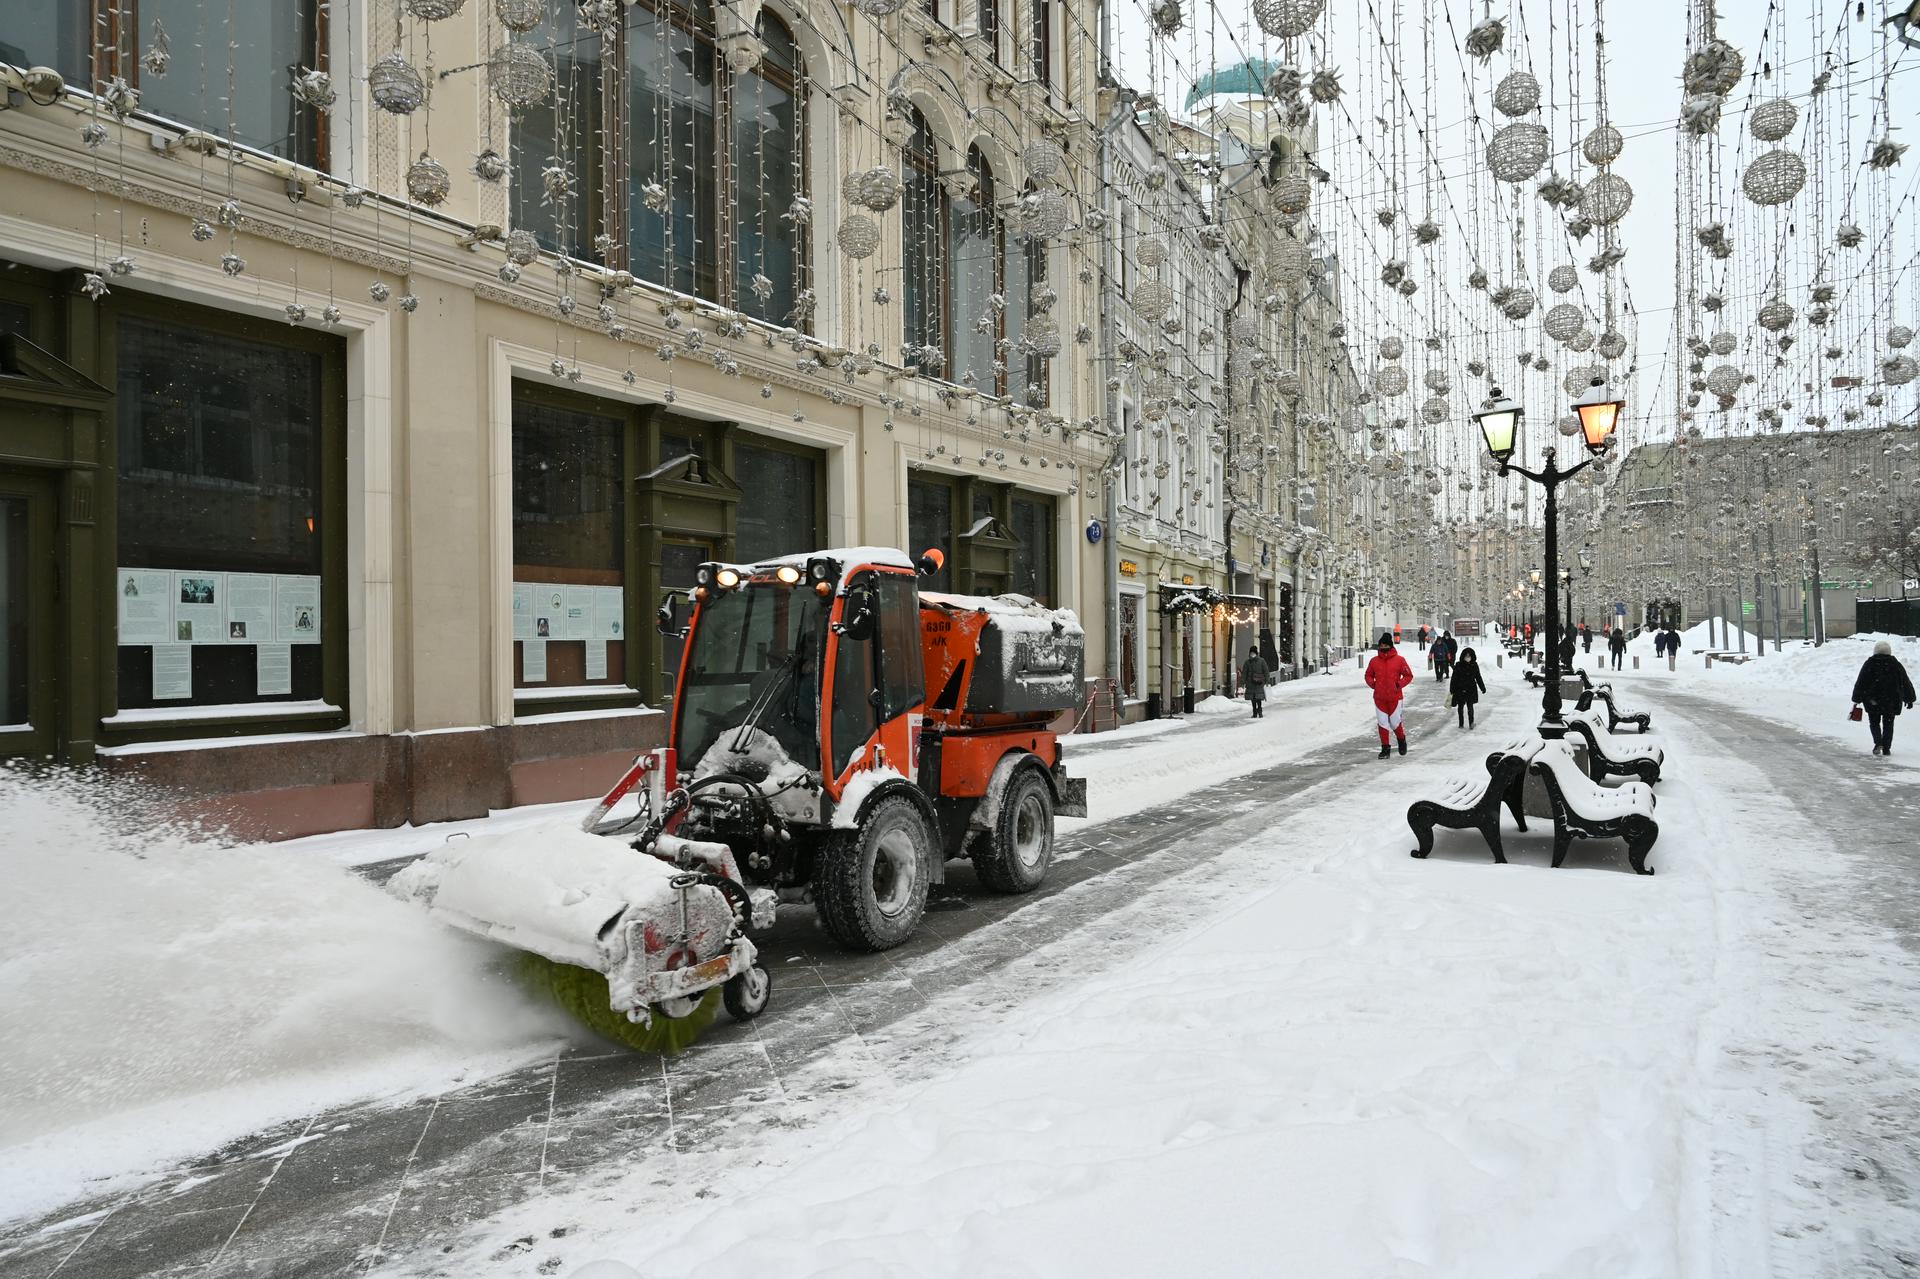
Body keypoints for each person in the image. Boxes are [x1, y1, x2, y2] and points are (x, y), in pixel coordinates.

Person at [1851, 640, 1916, 756]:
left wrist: (1857, 698)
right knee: (1888, 723)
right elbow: (1905, 682)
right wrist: (1909, 698)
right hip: (1891, 700)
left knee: (1874, 722)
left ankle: (1878, 743)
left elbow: (1861, 681)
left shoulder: (1869, 664)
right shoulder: (1895, 665)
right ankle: (1886, 747)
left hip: (1872, 700)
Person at [1365, 631, 1414, 759]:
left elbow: (1408, 676)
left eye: (1386, 645)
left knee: (1395, 723)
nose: (1384, 647)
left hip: (1395, 698)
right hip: (1380, 698)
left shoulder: (1399, 660)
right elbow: (1368, 675)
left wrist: (1399, 684)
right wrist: (1373, 684)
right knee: (1382, 723)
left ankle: (1401, 739)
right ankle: (1385, 748)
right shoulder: (1374, 661)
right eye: (1382, 645)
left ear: (1391, 646)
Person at [1449, 645, 1486, 729]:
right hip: (1460, 689)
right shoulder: (1458, 665)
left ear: (1472, 656)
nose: (1468, 658)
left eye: (1469, 656)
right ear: (1463, 656)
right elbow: (1454, 678)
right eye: (1466, 656)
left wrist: (1482, 688)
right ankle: (1461, 723)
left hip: (1471, 689)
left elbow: (1478, 677)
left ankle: (1471, 723)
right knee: (1460, 707)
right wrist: (1452, 689)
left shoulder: (1474, 665)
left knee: (1470, 707)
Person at [1241, 647, 1270, 720]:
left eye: (1253, 653)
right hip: (1250, 683)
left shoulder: (1261, 661)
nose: (1252, 654)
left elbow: (1266, 671)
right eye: (1251, 653)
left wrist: (1267, 680)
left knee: (1258, 698)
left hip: (1259, 683)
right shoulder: (1247, 662)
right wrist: (1243, 682)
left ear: (1256, 653)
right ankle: (1254, 712)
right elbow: (1244, 673)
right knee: (1252, 698)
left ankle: (1259, 711)